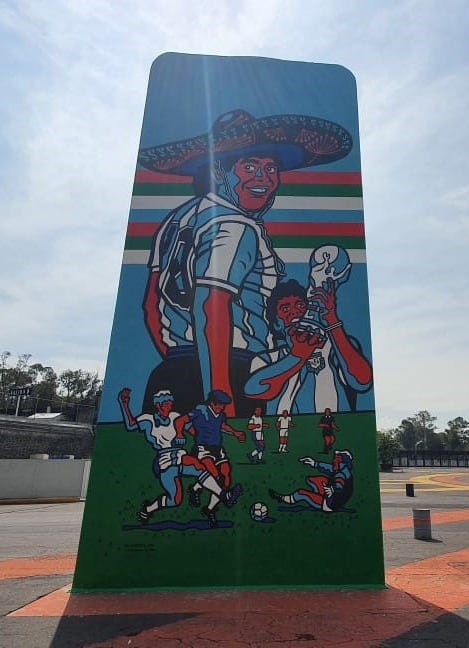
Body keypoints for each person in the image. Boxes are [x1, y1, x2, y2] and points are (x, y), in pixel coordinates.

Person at [139, 109, 353, 418]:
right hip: (229, 372)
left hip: (173, 371)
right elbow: (211, 304)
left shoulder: (177, 220)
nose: (263, 178)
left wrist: (183, 363)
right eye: (249, 165)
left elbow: (151, 306)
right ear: (217, 170)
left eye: (270, 168)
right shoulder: (235, 225)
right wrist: (219, 395)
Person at [244, 275, 373, 415]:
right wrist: (297, 356)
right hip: (286, 432)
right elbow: (256, 390)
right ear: (276, 323)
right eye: (285, 308)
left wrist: (332, 321)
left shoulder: (334, 346)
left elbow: (362, 381)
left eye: (300, 305)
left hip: (335, 430)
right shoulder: (267, 359)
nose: (294, 311)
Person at [116, 388, 241, 525]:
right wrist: (124, 404)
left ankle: (224, 495)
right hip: (164, 459)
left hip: (180, 455)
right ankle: (148, 509)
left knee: (198, 465)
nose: (170, 407)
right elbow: (130, 425)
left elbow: (192, 429)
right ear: (158, 405)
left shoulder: (174, 416)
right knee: (175, 499)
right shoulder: (148, 420)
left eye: (170, 404)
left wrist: (204, 439)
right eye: (167, 404)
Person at [179, 390, 247, 528]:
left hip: (217, 448)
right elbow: (182, 421)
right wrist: (183, 433)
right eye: (221, 404)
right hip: (203, 448)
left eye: (224, 405)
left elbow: (222, 426)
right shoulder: (200, 410)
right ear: (213, 402)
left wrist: (235, 433)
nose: (222, 407)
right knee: (215, 476)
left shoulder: (221, 414)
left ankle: (208, 508)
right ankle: (225, 497)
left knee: (226, 475)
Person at [268, 450, 354, 513]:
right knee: (314, 480)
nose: (334, 459)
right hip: (335, 499)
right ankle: (318, 498)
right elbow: (329, 468)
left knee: (301, 493)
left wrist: (332, 490)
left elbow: (339, 484)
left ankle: (282, 498)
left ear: (341, 460)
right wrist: (314, 463)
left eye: (336, 458)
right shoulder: (343, 469)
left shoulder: (341, 474)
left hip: (330, 504)